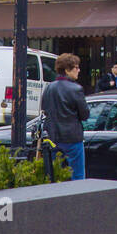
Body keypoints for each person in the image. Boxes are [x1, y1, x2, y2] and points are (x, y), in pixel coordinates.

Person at [41, 52, 90, 181]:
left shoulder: (49, 88)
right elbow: (85, 115)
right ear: (67, 70)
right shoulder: (76, 89)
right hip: (72, 138)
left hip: (53, 137)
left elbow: (45, 109)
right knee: (77, 176)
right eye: (76, 67)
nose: (79, 70)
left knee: (54, 174)